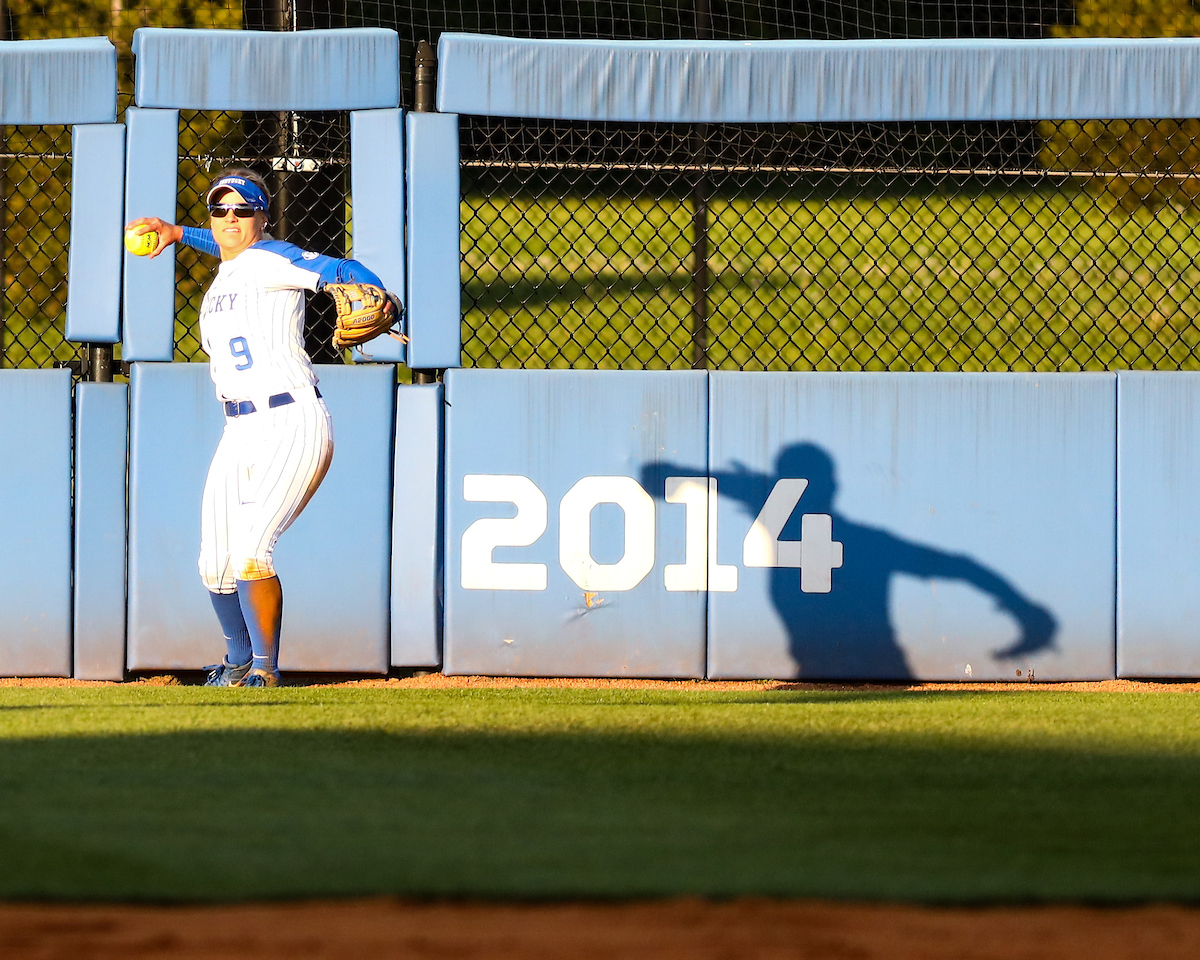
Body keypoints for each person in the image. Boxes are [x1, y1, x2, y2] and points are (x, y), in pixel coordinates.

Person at [126, 168, 399, 688]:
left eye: (243, 210)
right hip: (239, 430)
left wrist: (375, 289)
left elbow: (342, 269)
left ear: (263, 216)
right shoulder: (231, 267)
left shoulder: (271, 257)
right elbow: (231, 248)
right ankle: (235, 664)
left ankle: (266, 671)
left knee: (253, 551)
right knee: (214, 563)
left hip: (290, 419)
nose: (230, 218)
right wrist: (178, 232)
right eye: (220, 210)